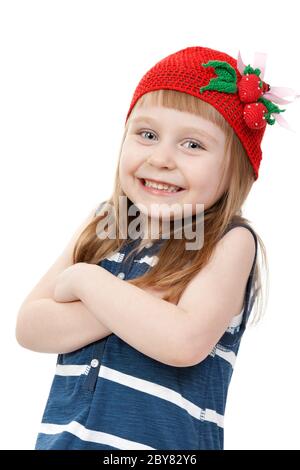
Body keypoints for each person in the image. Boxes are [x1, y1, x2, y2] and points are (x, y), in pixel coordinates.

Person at [15, 45, 298, 450]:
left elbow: (182, 341)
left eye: (193, 145)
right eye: (147, 135)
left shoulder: (229, 242)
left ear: (235, 165)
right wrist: (140, 303)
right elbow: (30, 328)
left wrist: (84, 280)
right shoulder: (104, 226)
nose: (161, 158)